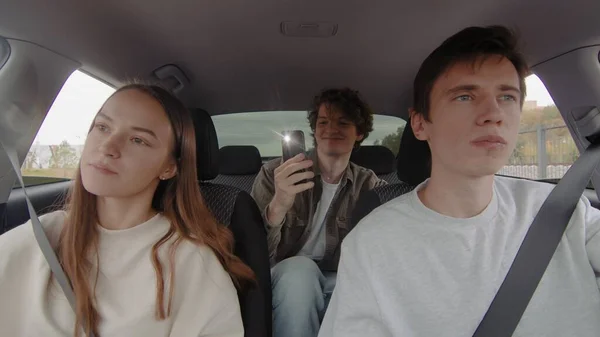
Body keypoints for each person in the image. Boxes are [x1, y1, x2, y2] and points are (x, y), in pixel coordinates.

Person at [319, 26, 600, 337]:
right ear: (420, 124)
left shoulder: (566, 212)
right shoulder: (372, 243)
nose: (493, 113)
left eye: (507, 96)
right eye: (465, 96)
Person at [0, 83, 255, 337]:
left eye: (138, 140)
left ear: (168, 168)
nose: (107, 147)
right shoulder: (40, 237)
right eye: (102, 127)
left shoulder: (193, 264)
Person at [251, 87, 386, 337]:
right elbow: (255, 253)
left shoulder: (371, 186)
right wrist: (279, 202)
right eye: (323, 121)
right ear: (314, 130)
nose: (330, 128)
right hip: (285, 275)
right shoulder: (274, 174)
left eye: (343, 122)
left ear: (359, 133)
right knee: (300, 272)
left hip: (340, 277)